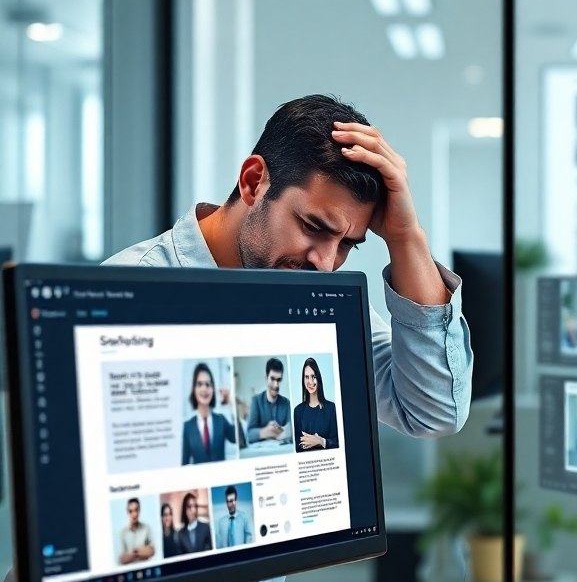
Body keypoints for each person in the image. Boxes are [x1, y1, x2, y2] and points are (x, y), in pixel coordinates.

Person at [106, 94, 471, 441]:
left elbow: (432, 412)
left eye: (346, 244)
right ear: (253, 182)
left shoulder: (320, 296)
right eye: (313, 227)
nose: (326, 264)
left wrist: (406, 237)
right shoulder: (123, 295)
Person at [182, 363, 237, 464]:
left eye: (208, 384)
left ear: (213, 389)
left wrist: (231, 403)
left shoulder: (221, 420)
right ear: (194, 389)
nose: (204, 389)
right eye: (199, 384)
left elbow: (238, 439)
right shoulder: (187, 427)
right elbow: (183, 463)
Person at [293, 357, 339, 452]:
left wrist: (321, 441)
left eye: (313, 376)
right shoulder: (297, 411)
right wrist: (309, 442)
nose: (310, 381)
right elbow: (296, 445)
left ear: (318, 378)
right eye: (306, 377)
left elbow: (337, 442)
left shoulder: (331, 408)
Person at [246, 358, 291, 444]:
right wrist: (266, 432)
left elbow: (292, 430)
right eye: (273, 379)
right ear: (266, 378)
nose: (276, 385)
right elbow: (249, 434)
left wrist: (282, 431)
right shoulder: (256, 401)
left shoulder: (286, 403)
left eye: (279, 380)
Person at [118, 498, 154, 565]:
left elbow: (151, 551)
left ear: (139, 510)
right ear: (127, 513)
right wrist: (140, 552)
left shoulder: (146, 529)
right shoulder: (123, 533)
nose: (134, 514)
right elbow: (122, 559)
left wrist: (134, 552)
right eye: (131, 511)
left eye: (136, 510)